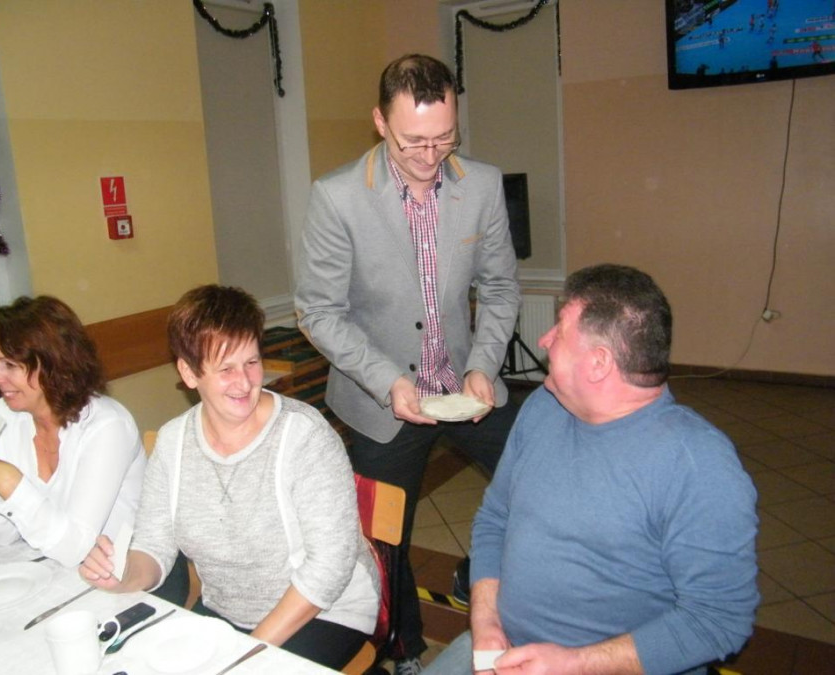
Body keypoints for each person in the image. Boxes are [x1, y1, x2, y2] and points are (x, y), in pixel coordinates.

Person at [294, 53, 521, 674]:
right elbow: (318, 312)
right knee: (384, 544)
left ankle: (488, 579)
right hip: (384, 401)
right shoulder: (338, 197)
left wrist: (483, 363)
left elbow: (500, 288)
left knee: (539, 480)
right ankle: (406, 651)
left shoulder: (482, 184)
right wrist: (387, 379)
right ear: (379, 122)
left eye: (444, 138)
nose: (430, 155)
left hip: (467, 384)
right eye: (413, 141)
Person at [425, 264, 759, 675]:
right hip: (504, 646)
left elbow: (718, 621)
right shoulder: (544, 407)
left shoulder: (697, 464)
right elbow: (496, 518)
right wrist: (487, 621)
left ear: (598, 363)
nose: (544, 340)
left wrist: (575, 664)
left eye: (559, 332)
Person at [79, 285, 379, 670]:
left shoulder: (304, 436)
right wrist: (123, 578)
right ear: (189, 372)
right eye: (225, 369)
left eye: (251, 361)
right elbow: (154, 543)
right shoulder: (173, 442)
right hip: (227, 613)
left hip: (324, 612)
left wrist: (244, 653)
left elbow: (329, 568)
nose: (245, 381)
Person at [0, 296, 145, 567]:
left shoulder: (107, 426)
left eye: (9, 365)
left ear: (54, 364)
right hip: (56, 571)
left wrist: (8, 482)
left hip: (127, 571)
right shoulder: (3, 415)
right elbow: (4, 536)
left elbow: (75, 549)